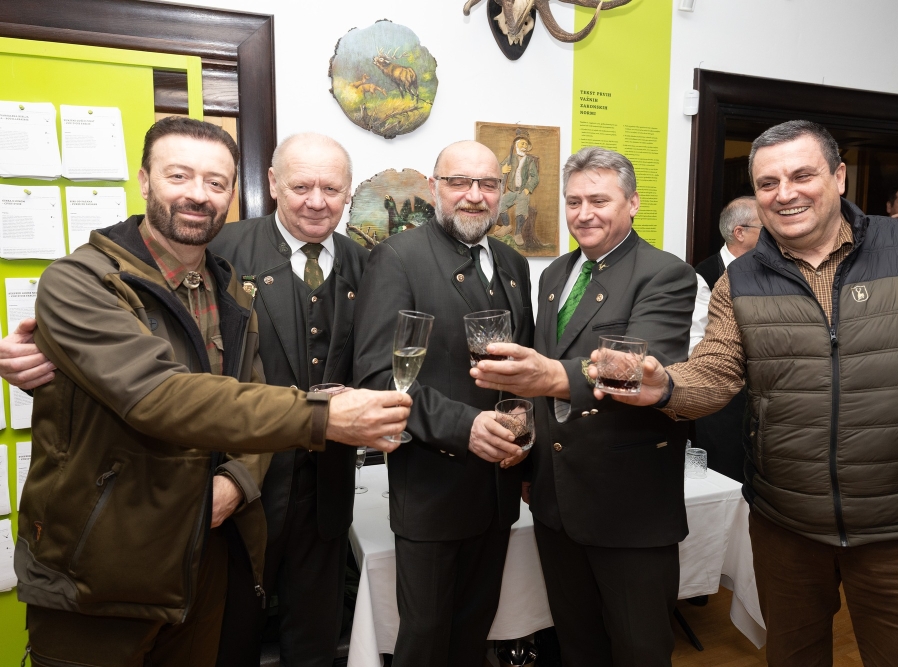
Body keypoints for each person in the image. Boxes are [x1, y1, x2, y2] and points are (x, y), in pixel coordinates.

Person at [599, 120, 898, 666]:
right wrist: (667, 386)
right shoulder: (740, 279)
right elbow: (716, 374)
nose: (785, 193)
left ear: (838, 177)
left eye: (802, 175)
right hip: (785, 530)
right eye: (768, 183)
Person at [14, 117, 410, 667]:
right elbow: (161, 395)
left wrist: (238, 479)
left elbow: (245, 387)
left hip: (222, 533)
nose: (198, 195)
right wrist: (324, 415)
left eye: (216, 182)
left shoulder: (227, 287)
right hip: (108, 559)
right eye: (179, 175)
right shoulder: (86, 280)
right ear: (144, 180)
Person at [470, 146, 696, 667]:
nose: (584, 213)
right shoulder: (555, 275)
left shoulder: (664, 274)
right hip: (556, 502)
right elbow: (537, 384)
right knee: (577, 646)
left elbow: (639, 371)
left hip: (627, 505)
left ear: (633, 203)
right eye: (573, 202)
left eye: (599, 200)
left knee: (639, 651)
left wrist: (548, 375)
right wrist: (528, 461)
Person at [352, 140, 534, 667]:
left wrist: (524, 423)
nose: (474, 195)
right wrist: (466, 425)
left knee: (474, 634)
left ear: (501, 191)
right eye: (459, 182)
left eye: (488, 184)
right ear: (434, 188)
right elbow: (377, 376)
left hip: (497, 494)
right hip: (433, 492)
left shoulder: (514, 264)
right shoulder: (398, 259)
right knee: (426, 644)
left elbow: (523, 369)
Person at [209, 133, 368, 667]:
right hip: (244, 488)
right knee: (229, 640)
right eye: (301, 187)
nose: (316, 201)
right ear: (273, 184)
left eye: (331, 188)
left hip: (327, 493)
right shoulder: (222, 250)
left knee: (314, 643)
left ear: (348, 191)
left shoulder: (365, 263)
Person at [689, 196, 761, 482]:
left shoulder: (773, 269)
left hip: (762, 407)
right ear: (739, 232)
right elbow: (696, 345)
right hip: (723, 406)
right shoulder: (704, 276)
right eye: (765, 227)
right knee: (727, 482)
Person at [495, 128, 540, 247]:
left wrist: (527, 189)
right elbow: (498, 167)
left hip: (522, 192)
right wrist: (502, 169)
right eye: (522, 144)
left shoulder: (529, 161)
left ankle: (518, 233)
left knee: (521, 209)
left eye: (526, 144)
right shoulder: (511, 158)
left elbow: (535, 177)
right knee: (500, 204)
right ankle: (506, 226)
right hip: (512, 191)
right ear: (516, 145)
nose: (524, 146)